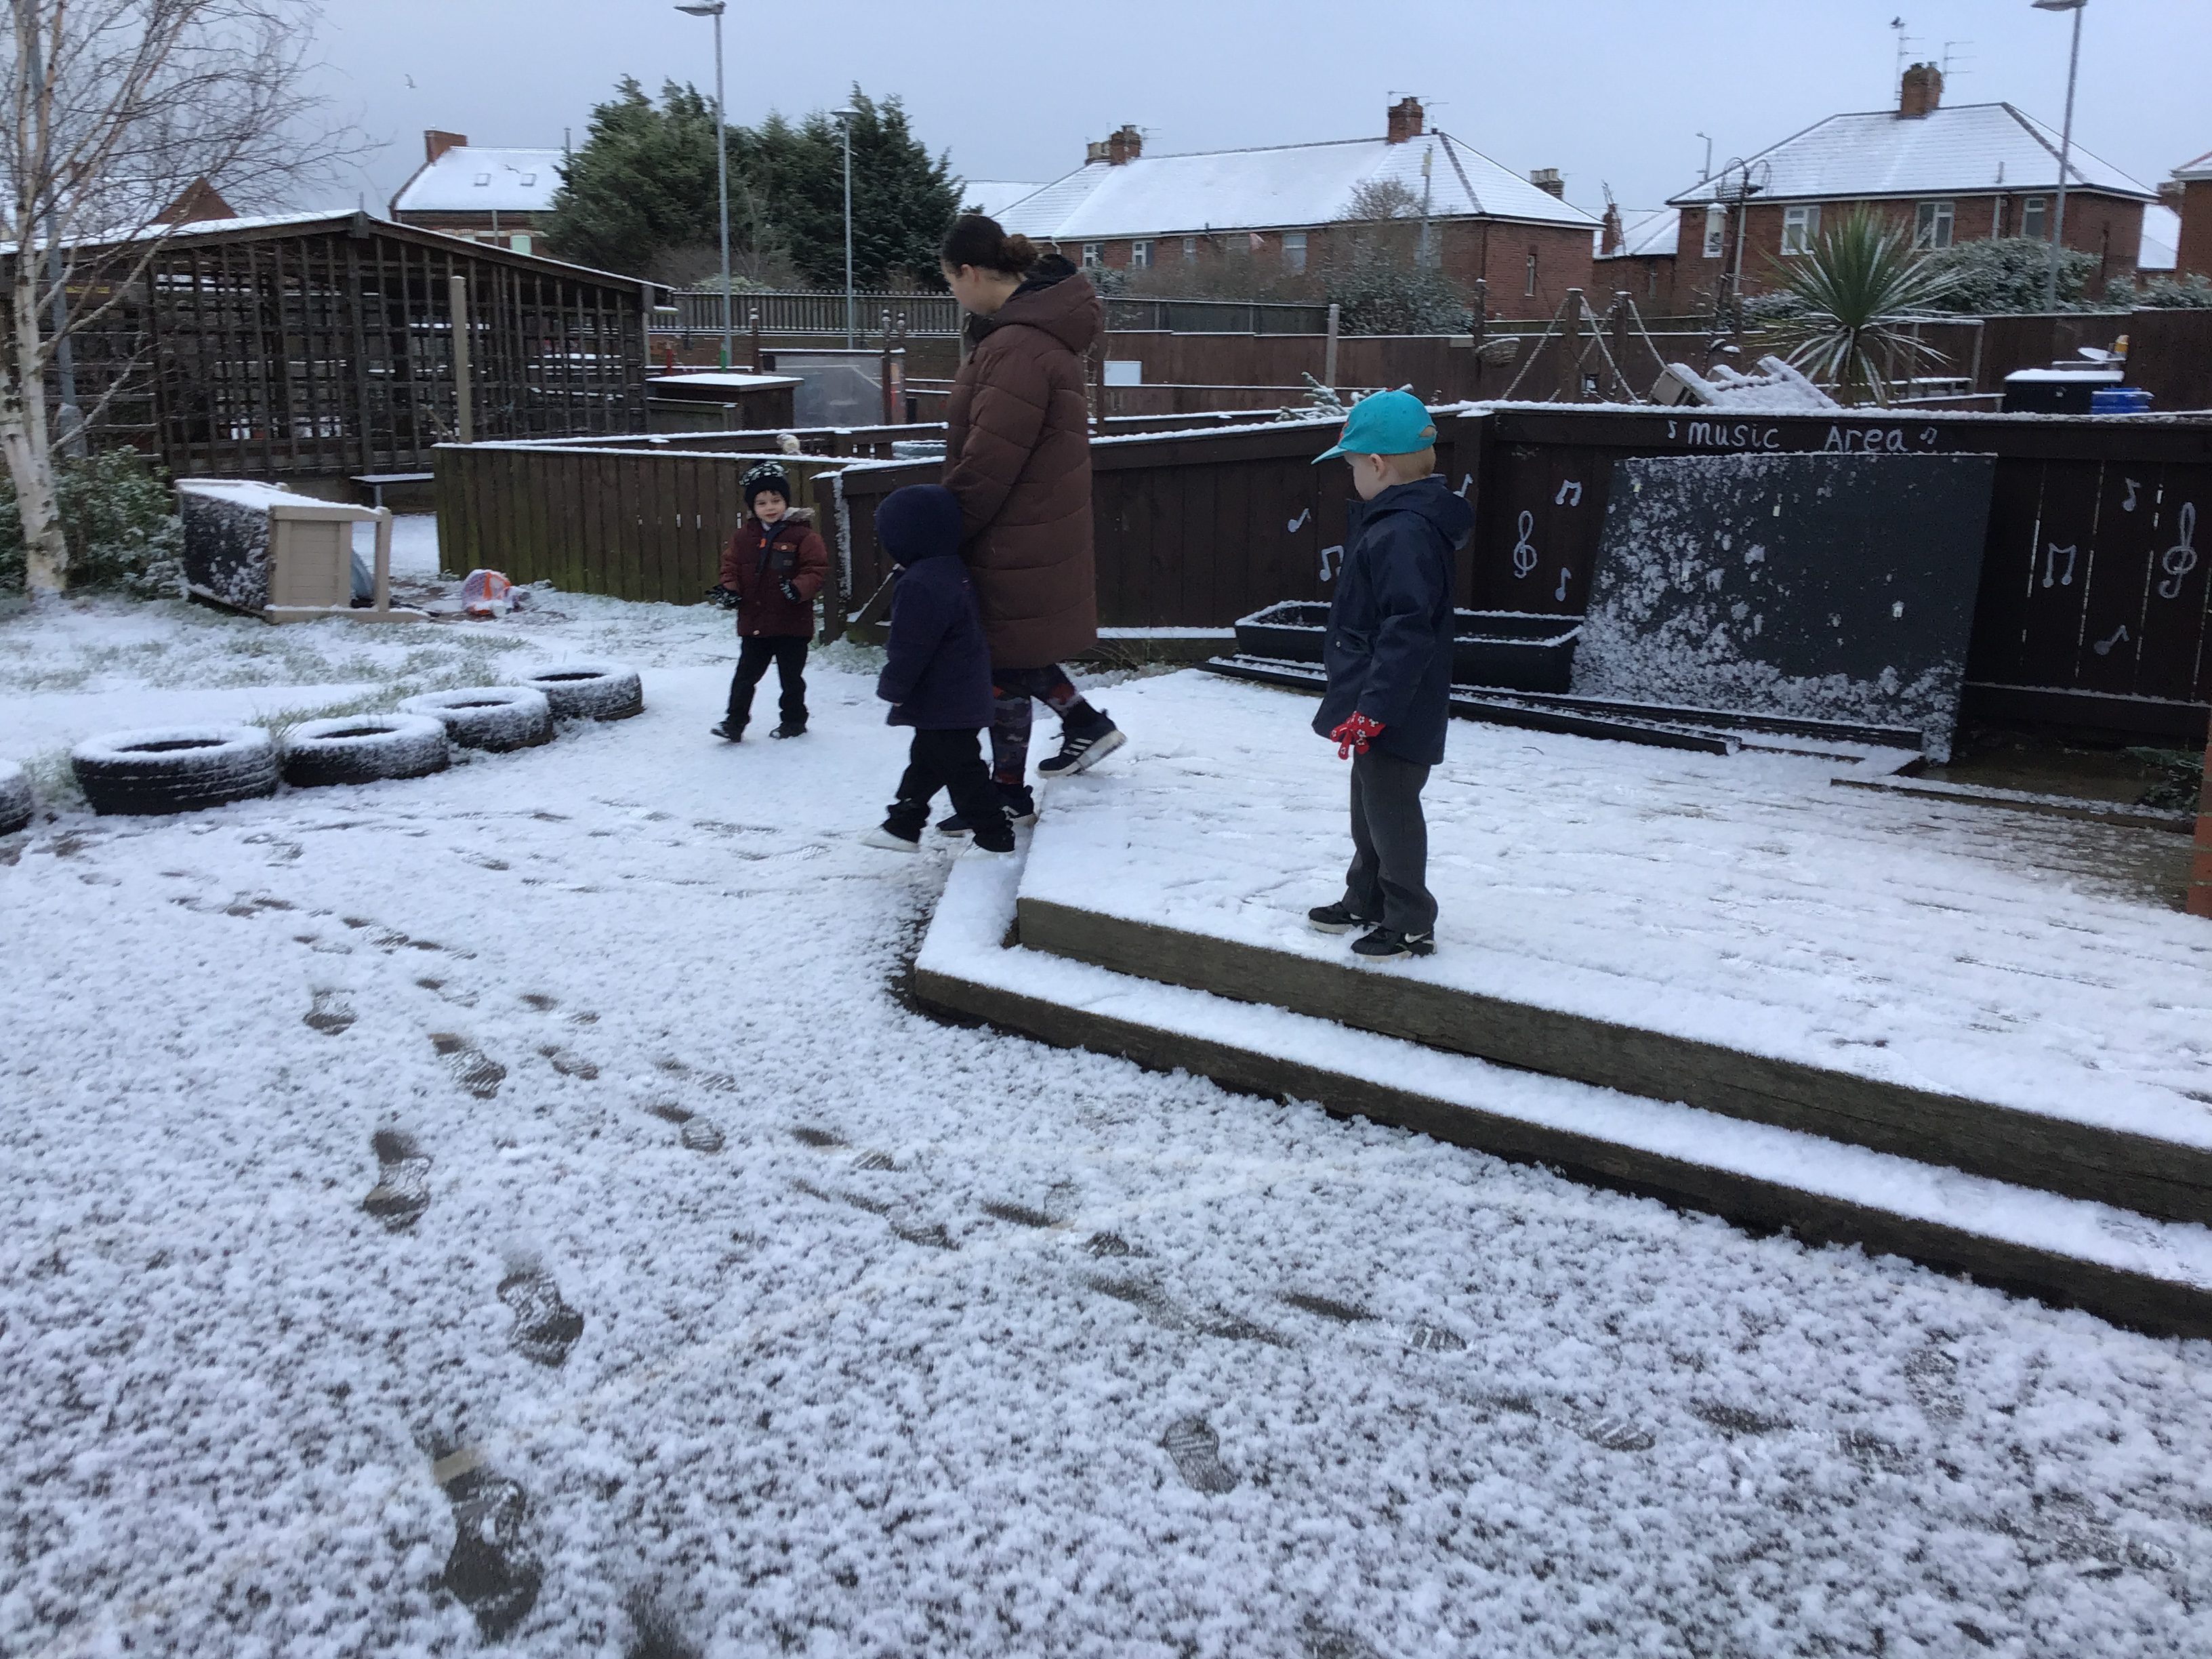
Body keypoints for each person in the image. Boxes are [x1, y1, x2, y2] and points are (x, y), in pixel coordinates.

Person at [937, 213, 1124, 834]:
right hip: (1028, 526)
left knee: (1002, 660)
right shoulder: (1031, 336)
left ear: (969, 272)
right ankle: (1067, 739)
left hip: (1011, 531)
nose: (953, 294)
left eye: (950, 281)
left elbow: (988, 461)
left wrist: (944, 527)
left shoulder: (1017, 346)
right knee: (1009, 658)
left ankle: (1012, 788)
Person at [1304, 390, 1471, 961]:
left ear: (1377, 465)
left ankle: (1410, 922)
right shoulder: (1395, 523)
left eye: (1352, 465)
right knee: (1370, 805)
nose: (1350, 477)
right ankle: (1367, 898)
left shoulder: (1403, 532)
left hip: (1396, 704)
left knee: (1393, 811)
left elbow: (1408, 630)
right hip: (1375, 698)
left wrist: (1375, 708)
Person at [860, 485, 1014, 856]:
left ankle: (995, 834)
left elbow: (910, 647)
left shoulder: (921, 583)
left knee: (961, 768)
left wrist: (894, 688)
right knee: (928, 758)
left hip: (944, 697)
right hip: (958, 691)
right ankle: (904, 822)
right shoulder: (950, 569)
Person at [709, 461, 828, 741]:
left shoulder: (803, 535)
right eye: (762, 503)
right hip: (755, 621)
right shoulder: (743, 537)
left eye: (776, 500)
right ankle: (734, 722)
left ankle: (794, 721)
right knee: (745, 677)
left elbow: (816, 569)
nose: (770, 507)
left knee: (791, 678)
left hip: (792, 622)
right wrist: (730, 590)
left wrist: (797, 589)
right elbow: (730, 567)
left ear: (786, 501)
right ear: (753, 507)